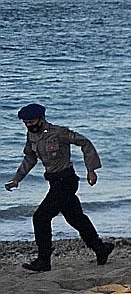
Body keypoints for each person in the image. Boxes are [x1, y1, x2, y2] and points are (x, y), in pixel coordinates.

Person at [5, 103, 114, 272]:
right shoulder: (31, 136)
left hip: (66, 181)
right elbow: (30, 158)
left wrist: (91, 170)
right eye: (26, 123)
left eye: (32, 122)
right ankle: (100, 249)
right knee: (75, 218)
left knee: (40, 217)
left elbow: (85, 143)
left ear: (41, 119)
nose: (29, 126)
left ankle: (43, 260)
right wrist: (17, 179)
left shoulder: (59, 133)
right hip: (54, 182)